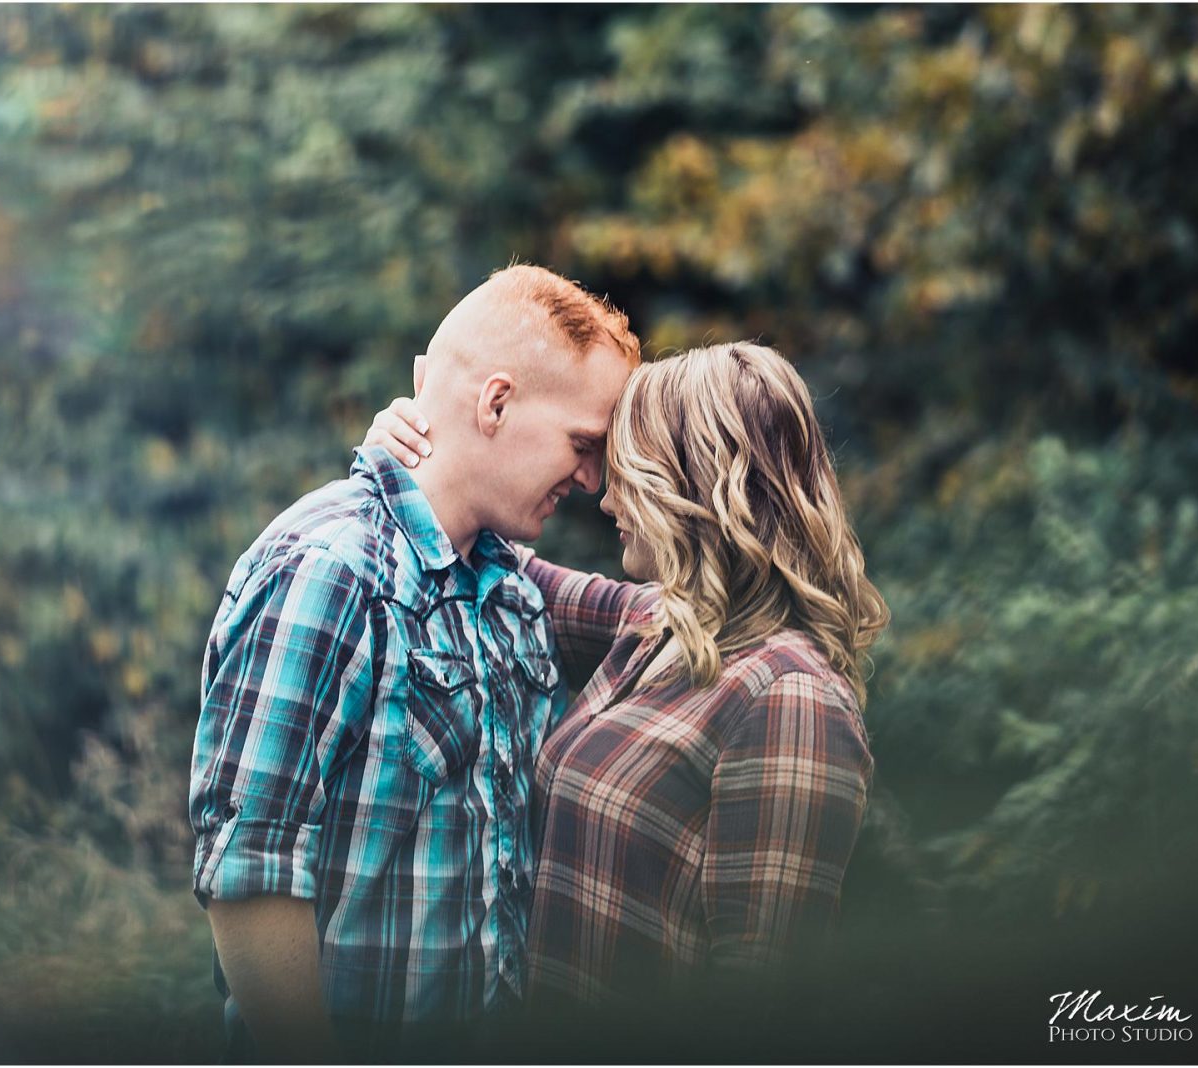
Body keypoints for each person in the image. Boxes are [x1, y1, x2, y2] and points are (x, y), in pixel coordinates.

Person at [364, 341, 888, 1030]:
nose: (606, 496)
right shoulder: (659, 626)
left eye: (626, 470)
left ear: (693, 481)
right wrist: (420, 454)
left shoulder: (790, 696)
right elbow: (494, 561)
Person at [188, 264, 640, 1060]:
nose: (594, 479)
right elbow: (251, 873)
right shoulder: (331, 568)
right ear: (496, 403)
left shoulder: (508, 590)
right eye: (584, 444)